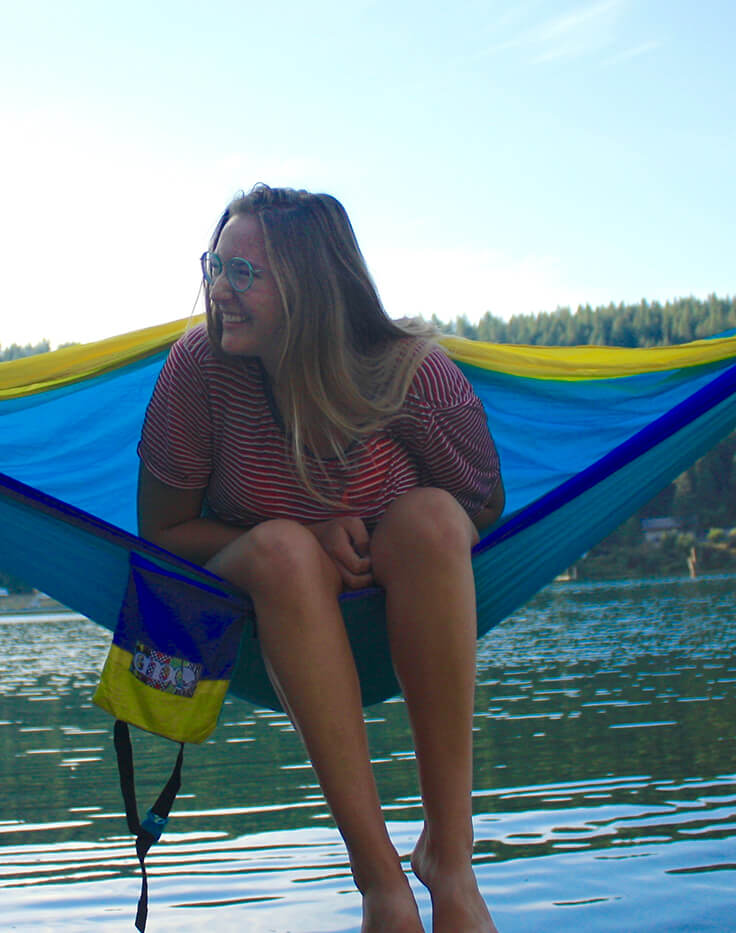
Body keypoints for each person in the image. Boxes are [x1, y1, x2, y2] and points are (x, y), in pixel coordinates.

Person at [137, 185, 504, 933]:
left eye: (245, 274)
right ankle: (381, 884)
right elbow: (164, 531)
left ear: (311, 286)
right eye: (215, 265)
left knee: (432, 519)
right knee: (282, 550)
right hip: (268, 588)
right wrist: (305, 530)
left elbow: (480, 506)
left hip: (402, 583)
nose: (219, 291)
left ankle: (449, 856)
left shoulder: (412, 376)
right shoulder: (198, 368)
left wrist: (374, 537)